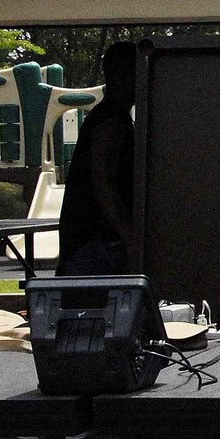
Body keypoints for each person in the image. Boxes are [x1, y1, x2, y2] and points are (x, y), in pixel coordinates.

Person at [58, 41, 138, 276]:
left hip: (93, 243)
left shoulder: (110, 117)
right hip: (96, 244)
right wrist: (129, 235)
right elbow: (103, 182)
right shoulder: (111, 121)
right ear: (121, 76)